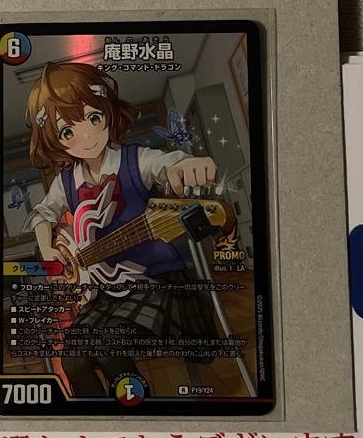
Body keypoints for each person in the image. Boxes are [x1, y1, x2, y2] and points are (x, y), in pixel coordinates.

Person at [23, 60, 218, 397]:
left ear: (107, 113)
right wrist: (48, 247)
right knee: (74, 362)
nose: (85, 135)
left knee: (108, 347)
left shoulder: (135, 159)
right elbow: (42, 213)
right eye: (67, 131)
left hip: (155, 282)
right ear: (56, 140)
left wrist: (186, 165)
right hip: (105, 293)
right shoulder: (65, 182)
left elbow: (165, 163)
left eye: (92, 118)